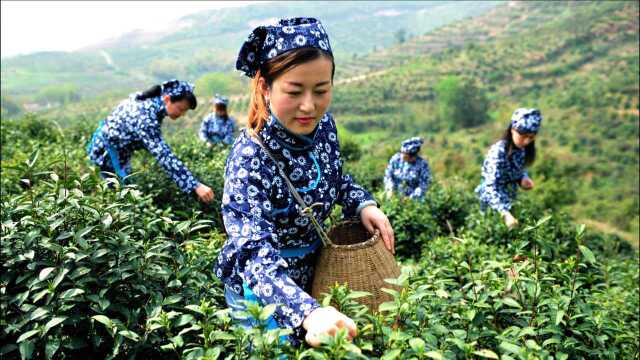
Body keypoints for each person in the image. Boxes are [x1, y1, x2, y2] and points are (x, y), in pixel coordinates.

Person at [214, 17, 395, 347]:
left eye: (321, 90)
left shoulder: (324, 127)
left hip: (316, 272)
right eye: (294, 91)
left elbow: (334, 177)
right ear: (266, 88)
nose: (309, 106)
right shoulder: (250, 158)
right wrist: (307, 312)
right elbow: (254, 254)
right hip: (264, 291)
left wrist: (364, 203)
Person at [86, 79, 214, 203]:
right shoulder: (145, 116)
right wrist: (195, 185)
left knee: (125, 189)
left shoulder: (152, 103)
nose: (182, 114)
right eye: (180, 109)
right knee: (119, 198)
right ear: (168, 99)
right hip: (107, 154)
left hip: (119, 152)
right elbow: (163, 155)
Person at [475, 108, 542, 228]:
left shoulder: (521, 150)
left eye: (531, 138)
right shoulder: (498, 152)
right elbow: (490, 187)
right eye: (523, 136)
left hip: (510, 201)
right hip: (493, 205)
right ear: (512, 130)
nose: (526, 141)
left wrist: (523, 178)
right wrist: (505, 213)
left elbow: (518, 169)